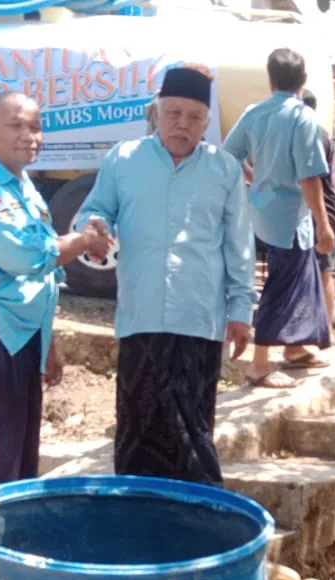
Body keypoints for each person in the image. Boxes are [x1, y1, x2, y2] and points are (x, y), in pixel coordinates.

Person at [73, 64, 254, 486]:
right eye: (174, 114)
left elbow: (239, 245)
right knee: (138, 431)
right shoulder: (124, 160)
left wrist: (241, 308)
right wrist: (94, 226)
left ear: (207, 123)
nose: (182, 125)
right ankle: (137, 525)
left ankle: (200, 527)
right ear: (156, 112)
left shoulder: (223, 170)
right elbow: (96, 208)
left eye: (194, 118)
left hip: (199, 320)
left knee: (192, 434)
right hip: (142, 317)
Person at [0, 91, 104, 498]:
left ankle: (2, 554)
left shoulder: (22, 186)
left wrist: (47, 344)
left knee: (16, 465)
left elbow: (37, 282)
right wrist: (83, 241)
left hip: (18, 340)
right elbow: (24, 256)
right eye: (16, 125)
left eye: (36, 127)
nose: (30, 136)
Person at [222, 48, 335, 388]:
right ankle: (258, 366)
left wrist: (251, 176)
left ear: (270, 81)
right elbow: (309, 177)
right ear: (303, 81)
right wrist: (324, 224)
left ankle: (296, 349)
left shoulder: (254, 112)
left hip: (259, 208)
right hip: (290, 220)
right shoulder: (303, 118)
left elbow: (228, 154)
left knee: (300, 280)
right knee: (281, 286)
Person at [302, 88, 335, 337]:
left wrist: (321, 223)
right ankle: (320, 331)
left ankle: (324, 331)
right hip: (325, 211)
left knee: (322, 271)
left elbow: (310, 178)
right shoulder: (317, 132)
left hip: (323, 212)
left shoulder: (310, 134)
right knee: (319, 270)